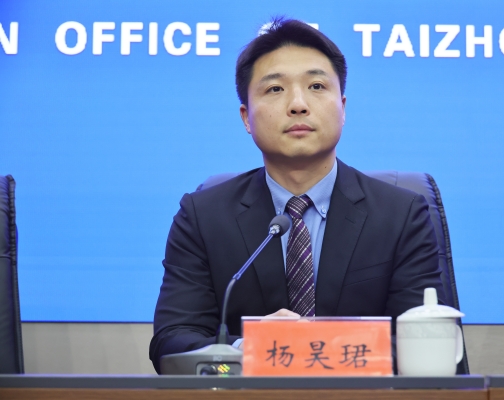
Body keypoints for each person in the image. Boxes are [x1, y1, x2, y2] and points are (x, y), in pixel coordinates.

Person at [150, 18, 445, 374]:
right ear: (246, 117)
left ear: (343, 107)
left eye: (317, 86)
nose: (298, 104)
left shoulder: (401, 215)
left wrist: (302, 348)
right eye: (275, 89)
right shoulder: (202, 217)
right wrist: (249, 349)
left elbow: (423, 342)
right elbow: (172, 341)